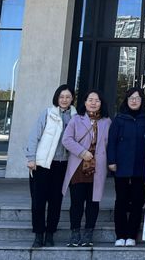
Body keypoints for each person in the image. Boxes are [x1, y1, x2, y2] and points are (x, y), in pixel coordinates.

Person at [25, 84, 76, 248]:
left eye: (68, 97)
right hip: (42, 164)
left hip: (63, 165)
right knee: (38, 201)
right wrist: (31, 158)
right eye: (62, 97)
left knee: (56, 202)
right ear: (57, 98)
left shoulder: (76, 117)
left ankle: (50, 234)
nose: (64, 100)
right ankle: (38, 234)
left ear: (72, 99)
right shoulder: (48, 113)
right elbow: (34, 136)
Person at [107, 87, 145, 247]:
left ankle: (131, 235)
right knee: (121, 201)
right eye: (131, 98)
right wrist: (111, 161)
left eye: (137, 98)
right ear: (126, 100)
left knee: (137, 201)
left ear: (142, 100)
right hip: (121, 166)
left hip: (140, 167)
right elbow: (112, 142)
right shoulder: (119, 119)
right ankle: (120, 235)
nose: (134, 101)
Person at [61, 90, 111, 247]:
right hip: (78, 167)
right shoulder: (76, 119)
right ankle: (75, 233)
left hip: (98, 168)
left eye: (97, 100)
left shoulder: (107, 122)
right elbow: (66, 139)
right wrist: (82, 152)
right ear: (85, 102)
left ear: (101, 103)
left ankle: (88, 233)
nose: (93, 103)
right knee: (76, 202)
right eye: (90, 100)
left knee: (93, 202)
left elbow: (110, 143)